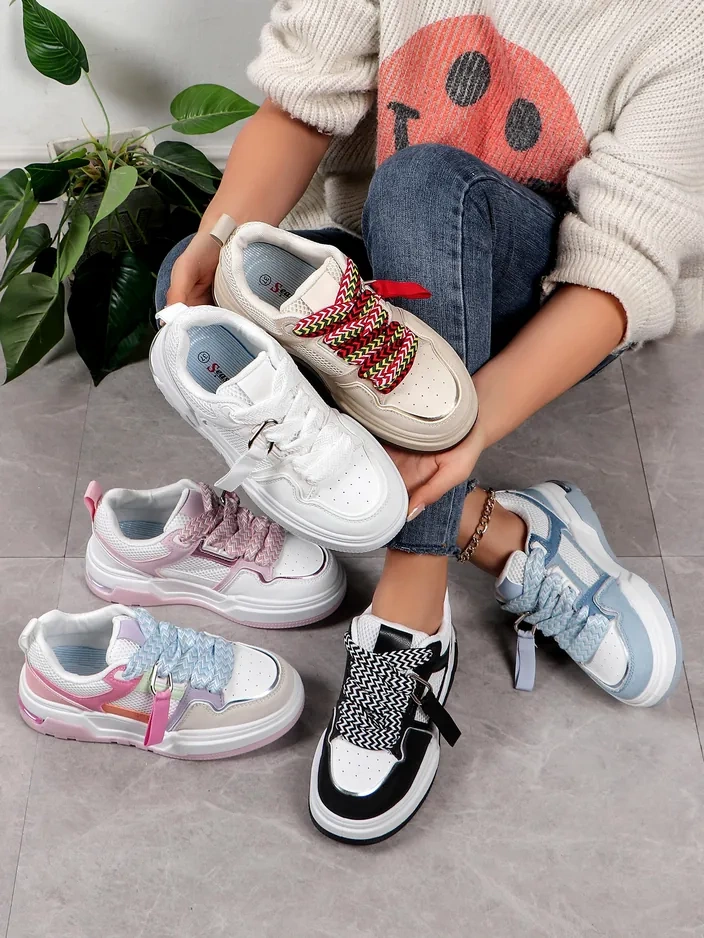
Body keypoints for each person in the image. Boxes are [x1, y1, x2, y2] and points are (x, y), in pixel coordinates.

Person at [156, 1, 703, 842]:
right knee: (192, 297)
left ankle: (409, 615)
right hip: (375, 292)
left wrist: (468, 430)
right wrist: (215, 237)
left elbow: (616, 275)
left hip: (542, 304)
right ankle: (497, 531)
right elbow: (303, 102)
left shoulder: (683, 27)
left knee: (422, 185)